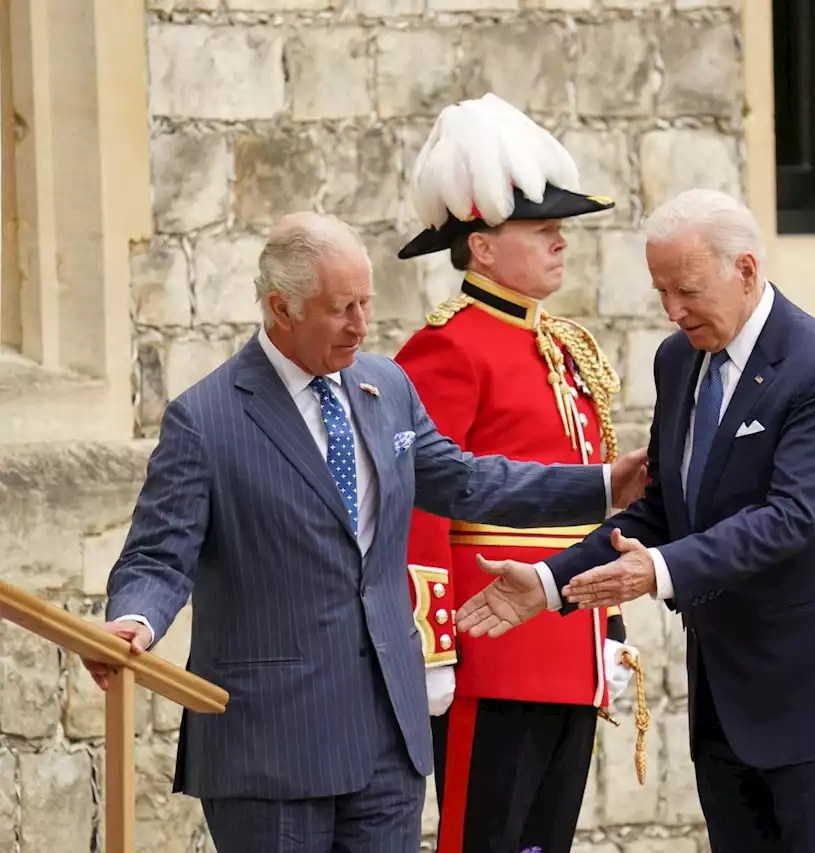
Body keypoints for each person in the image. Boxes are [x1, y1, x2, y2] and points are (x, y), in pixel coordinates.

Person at [80, 211, 648, 853]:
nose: (360, 324)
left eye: (365, 302)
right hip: (272, 745)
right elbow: (158, 555)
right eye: (339, 308)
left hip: (386, 738)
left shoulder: (387, 385)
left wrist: (603, 485)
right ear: (280, 308)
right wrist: (134, 620)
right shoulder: (205, 420)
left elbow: (465, 481)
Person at [452, 188, 815, 852]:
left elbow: (788, 517)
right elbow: (661, 509)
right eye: (661, 291)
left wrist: (656, 571)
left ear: (745, 270)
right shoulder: (677, 360)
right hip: (724, 696)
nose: (672, 310)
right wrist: (549, 582)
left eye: (685, 289)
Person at [393, 93, 644, 853]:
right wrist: (434, 645)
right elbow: (423, 505)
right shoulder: (447, 347)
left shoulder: (565, 346)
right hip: (490, 648)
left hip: (568, 639)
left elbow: (595, 508)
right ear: (483, 246)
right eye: (541, 229)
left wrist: (612, 623)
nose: (561, 242)